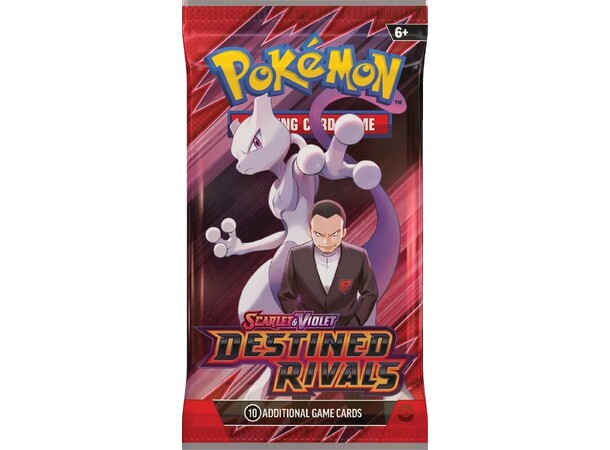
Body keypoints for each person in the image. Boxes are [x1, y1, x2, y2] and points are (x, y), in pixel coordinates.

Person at [278, 199, 378, 326]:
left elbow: (370, 293)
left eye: (334, 234)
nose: (326, 242)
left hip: (347, 329)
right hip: (309, 329)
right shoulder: (296, 256)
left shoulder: (359, 256)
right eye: (319, 234)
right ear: (310, 232)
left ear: (344, 232)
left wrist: (356, 322)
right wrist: (300, 323)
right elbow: (285, 295)